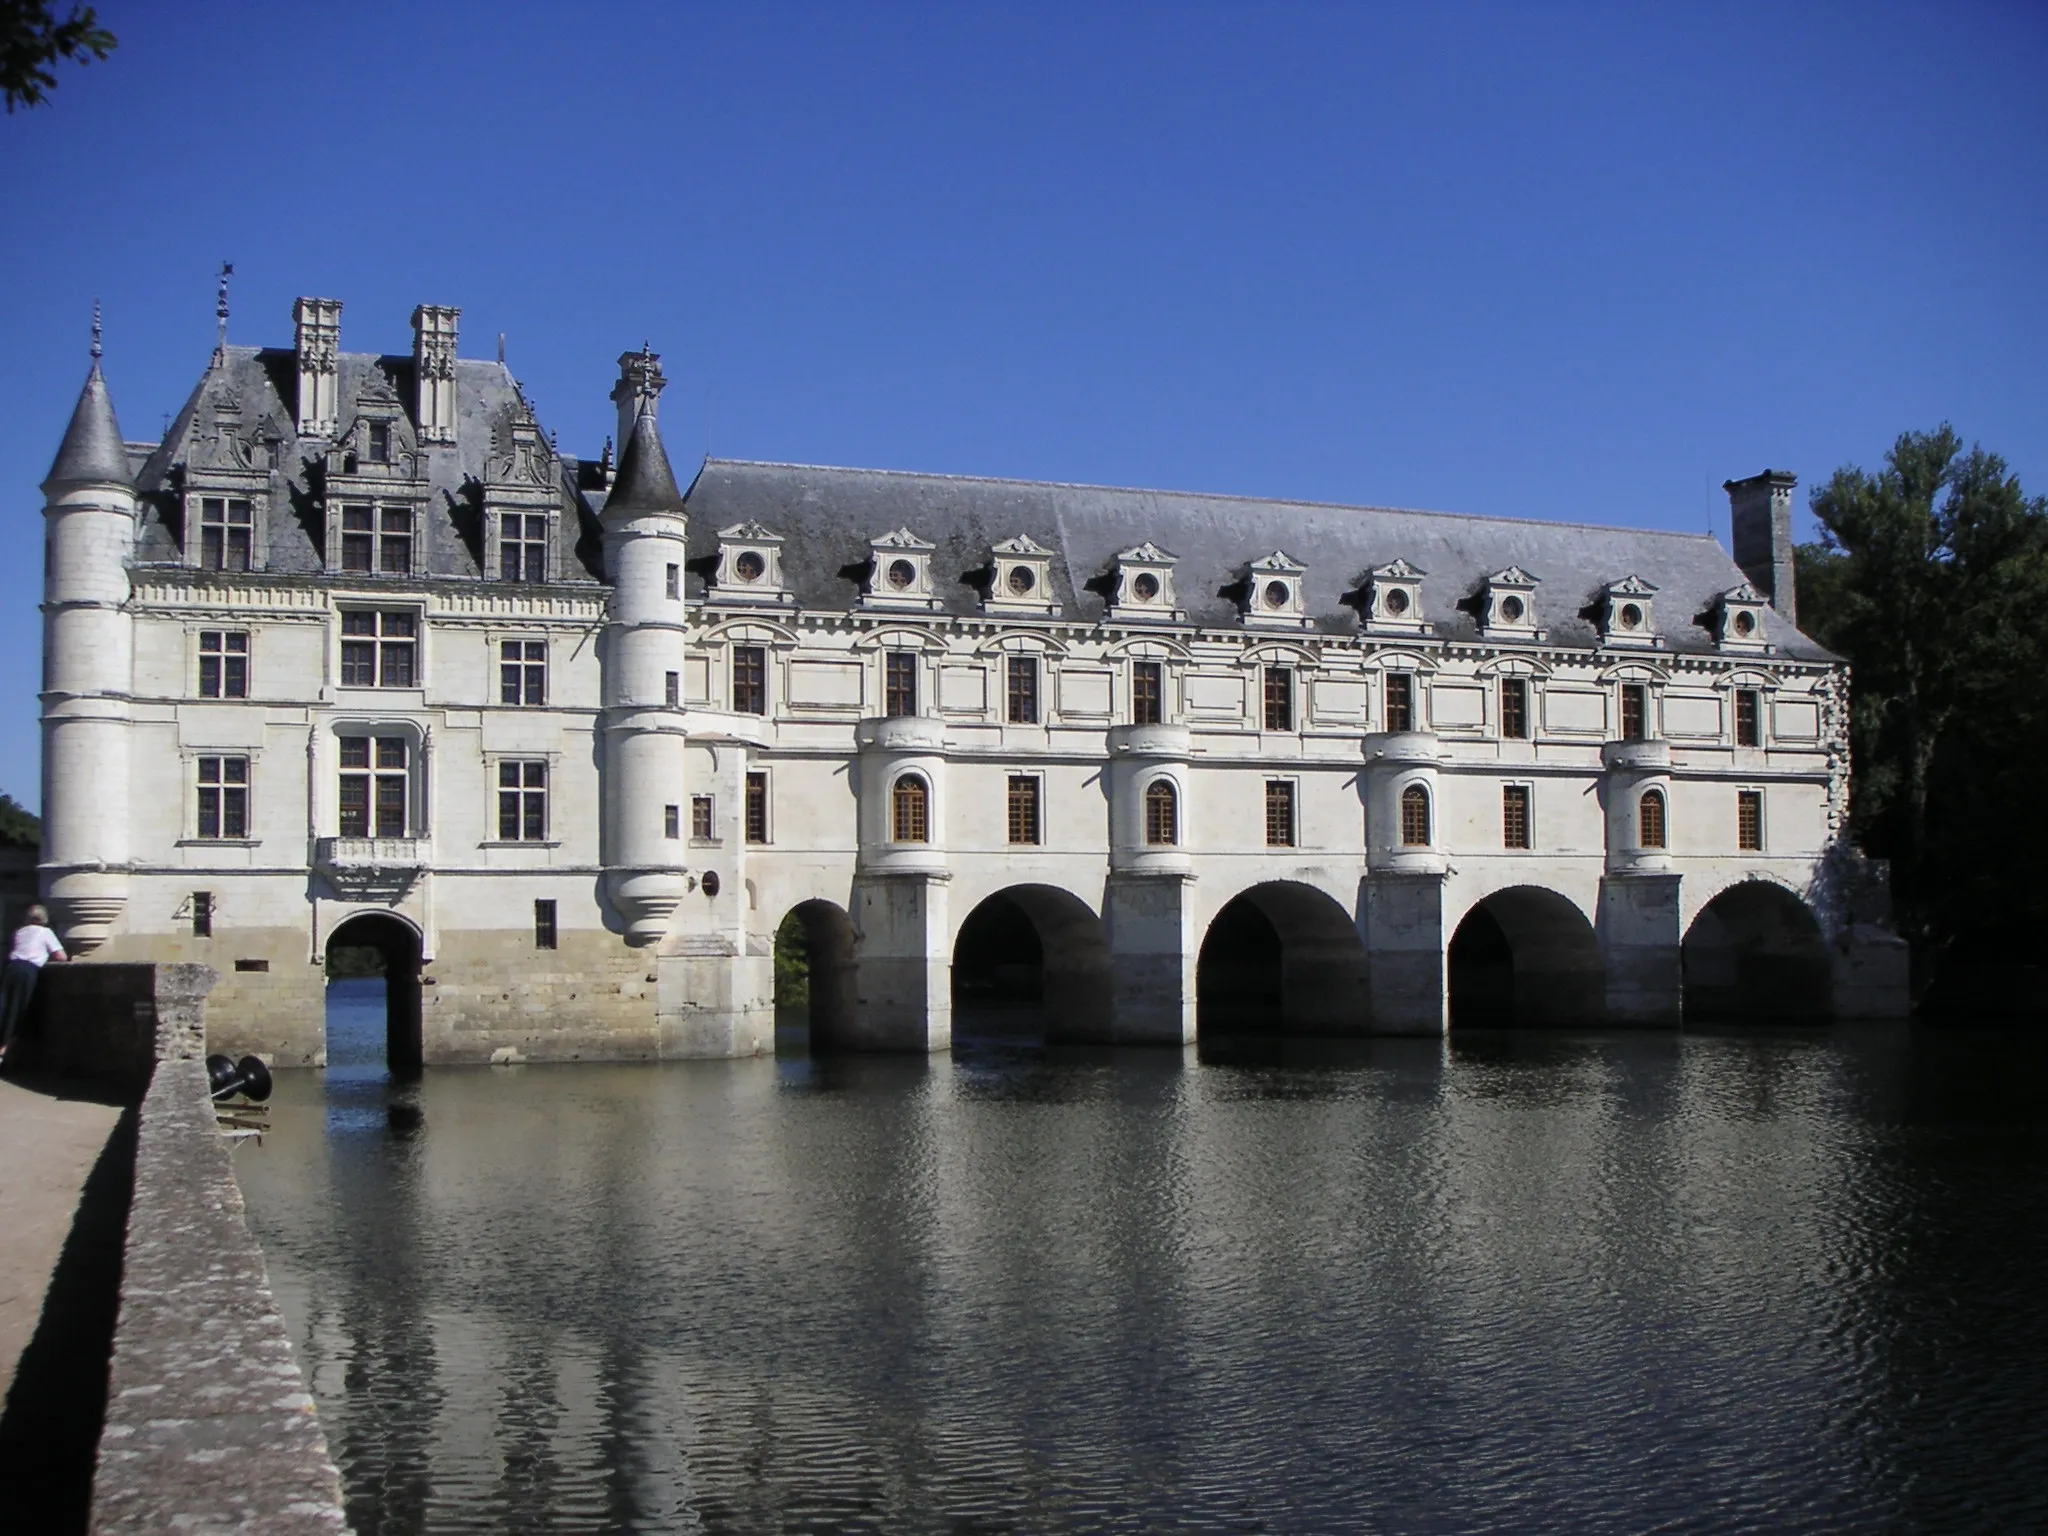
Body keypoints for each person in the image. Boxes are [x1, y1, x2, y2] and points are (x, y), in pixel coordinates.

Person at [0, 904, 67, 1065]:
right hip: (27, 972)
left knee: (4, 1008)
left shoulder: (20, 932)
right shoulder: (46, 932)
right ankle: (3, 1052)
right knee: (19, 1011)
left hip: (10, 969)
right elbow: (61, 956)